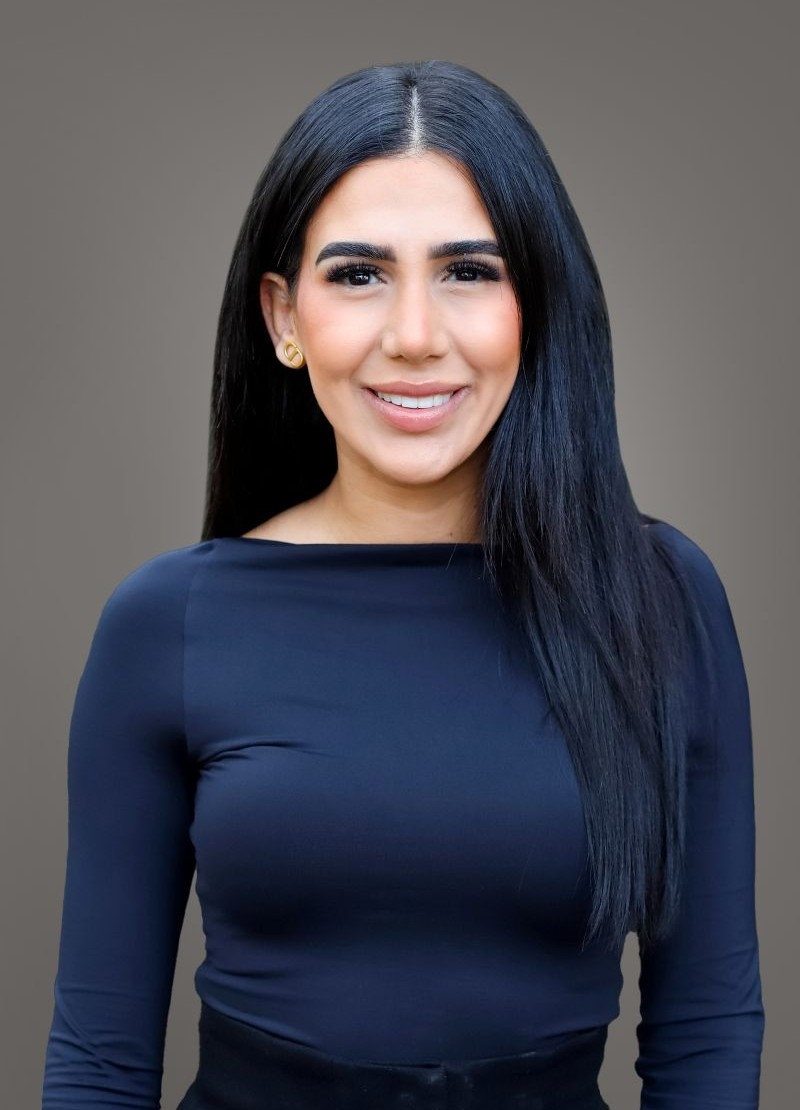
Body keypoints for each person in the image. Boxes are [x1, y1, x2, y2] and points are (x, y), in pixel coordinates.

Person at [41, 60, 764, 1110]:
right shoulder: (167, 623)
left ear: (535, 306)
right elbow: (99, 1064)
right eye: (358, 275)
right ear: (283, 318)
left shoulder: (660, 600)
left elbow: (704, 1034)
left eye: (468, 271)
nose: (416, 335)